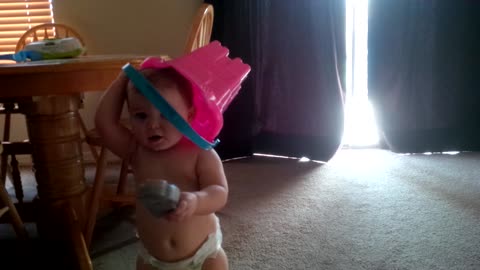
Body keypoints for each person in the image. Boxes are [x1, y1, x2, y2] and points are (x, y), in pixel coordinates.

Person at [95, 65, 229, 270]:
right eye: (141, 115)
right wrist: (124, 77)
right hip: (153, 258)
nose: (153, 125)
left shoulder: (200, 153)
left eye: (167, 114)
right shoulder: (136, 151)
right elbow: (104, 123)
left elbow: (219, 193)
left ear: (189, 116)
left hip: (203, 255)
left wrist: (196, 201)